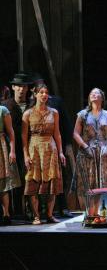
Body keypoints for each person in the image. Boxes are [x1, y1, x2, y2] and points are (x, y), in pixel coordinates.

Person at [22, 84, 66, 225]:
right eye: (41, 92)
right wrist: (25, 155)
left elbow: (57, 134)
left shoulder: (54, 112)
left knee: (52, 182)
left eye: (46, 92)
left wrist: (60, 152)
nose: (44, 95)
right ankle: (36, 216)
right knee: (33, 182)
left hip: (50, 147)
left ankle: (49, 214)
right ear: (35, 94)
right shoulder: (28, 113)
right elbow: (23, 137)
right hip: (34, 148)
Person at [72, 88, 107, 216]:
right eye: (91, 93)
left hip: (102, 154)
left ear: (102, 98)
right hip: (86, 152)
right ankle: (87, 214)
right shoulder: (82, 114)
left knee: (98, 184)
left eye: (97, 93)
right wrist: (85, 146)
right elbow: (75, 133)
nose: (94, 95)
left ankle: (94, 214)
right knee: (84, 184)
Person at [2, 73, 32, 218]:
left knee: (29, 178)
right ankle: (15, 211)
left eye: (24, 86)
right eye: (19, 86)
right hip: (11, 148)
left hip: (30, 147)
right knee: (14, 180)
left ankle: (31, 210)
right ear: (13, 87)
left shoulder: (33, 104)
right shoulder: (6, 105)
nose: (21, 89)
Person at [0, 104, 21, 225]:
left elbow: (10, 131)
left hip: (1, 145)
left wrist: (12, 151)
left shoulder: (2, 110)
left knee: (3, 183)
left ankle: (6, 214)